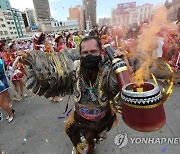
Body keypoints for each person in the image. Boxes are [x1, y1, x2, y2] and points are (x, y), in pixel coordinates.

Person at [15, 35, 171, 153]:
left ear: (100, 52)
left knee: (96, 137)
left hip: (103, 120)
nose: (89, 55)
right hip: (80, 120)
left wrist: (125, 66)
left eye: (93, 51)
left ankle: (94, 140)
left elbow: (122, 86)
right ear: (80, 54)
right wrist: (30, 57)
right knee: (82, 145)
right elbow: (53, 66)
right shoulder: (73, 69)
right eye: (85, 52)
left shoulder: (107, 68)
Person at [0, 42, 15, 123]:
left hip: (1, 83)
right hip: (2, 81)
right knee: (2, 101)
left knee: (1, 102)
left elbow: (2, 69)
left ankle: (11, 113)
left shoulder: (0, 59)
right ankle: (10, 111)